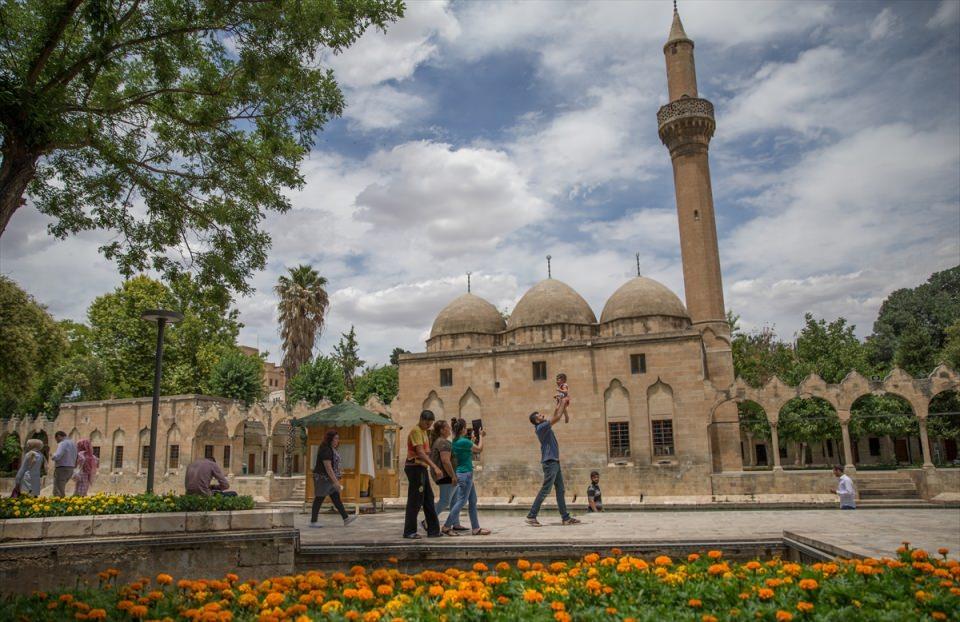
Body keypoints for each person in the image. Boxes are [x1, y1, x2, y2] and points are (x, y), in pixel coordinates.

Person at [525, 400, 581, 527]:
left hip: (555, 461)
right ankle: (531, 515)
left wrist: (560, 403)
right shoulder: (541, 427)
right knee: (546, 489)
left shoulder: (544, 425)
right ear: (537, 421)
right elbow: (557, 417)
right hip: (550, 462)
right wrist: (563, 402)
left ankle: (565, 518)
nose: (542, 415)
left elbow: (556, 413)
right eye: (539, 415)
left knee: (560, 490)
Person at [442, 418, 490, 536]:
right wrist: (481, 436)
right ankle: (446, 526)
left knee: (472, 501)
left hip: (462, 473)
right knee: (461, 501)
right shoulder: (464, 442)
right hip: (466, 475)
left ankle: (476, 528)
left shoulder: (456, 442)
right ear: (463, 429)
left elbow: (468, 454)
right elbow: (479, 449)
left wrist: (472, 440)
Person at [403, 410, 445, 539]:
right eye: (427, 423)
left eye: (430, 424)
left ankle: (433, 530)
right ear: (421, 419)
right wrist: (435, 467)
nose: (428, 426)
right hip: (414, 468)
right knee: (415, 500)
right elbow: (420, 453)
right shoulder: (416, 431)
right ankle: (409, 531)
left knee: (428, 499)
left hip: (421, 468)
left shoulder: (424, 432)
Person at [309, 430, 357, 528]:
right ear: (330, 439)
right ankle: (313, 522)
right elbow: (328, 467)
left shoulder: (330, 449)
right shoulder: (326, 449)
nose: (337, 441)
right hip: (322, 478)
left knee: (335, 497)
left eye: (338, 438)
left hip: (327, 478)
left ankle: (346, 518)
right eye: (336, 438)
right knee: (319, 498)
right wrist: (336, 482)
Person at [425, 420, 467, 532]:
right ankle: (427, 521)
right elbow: (445, 461)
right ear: (442, 430)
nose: (450, 429)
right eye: (448, 427)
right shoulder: (443, 443)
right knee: (445, 501)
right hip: (446, 476)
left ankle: (455, 523)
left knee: (454, 500)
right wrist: (453, 476)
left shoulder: (441, 441)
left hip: (446, 475)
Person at [50, 431, 77, 497]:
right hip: (70, 468)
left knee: (58, 490)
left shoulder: (62, 443)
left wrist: (52, 456)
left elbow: (58, 456)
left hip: (62, 468)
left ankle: (58, 505)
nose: (57, 441)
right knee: (61, 487)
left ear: (59, 436)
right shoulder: (73, 444)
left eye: (56, 439)